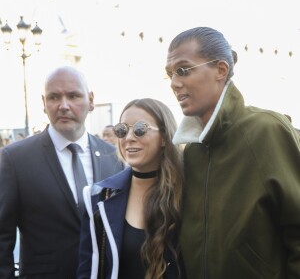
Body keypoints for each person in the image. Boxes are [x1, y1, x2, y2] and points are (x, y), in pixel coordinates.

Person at [165, 27, 300, 278]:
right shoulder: (192, 150)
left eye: (183, 70)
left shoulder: (266, 130)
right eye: (170, 74)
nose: (174, 82)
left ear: (221, 70)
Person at [0, 66, 124, 279]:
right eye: (54, 97)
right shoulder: (15, 159)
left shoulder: (113, 157)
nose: (63, 105)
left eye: (73, 96)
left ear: (91, 100)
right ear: (44, 104)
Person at [77, 98, 186, 279]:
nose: (129, 138)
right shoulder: (99, 197)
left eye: (140, 129)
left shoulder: (190, 192)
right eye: (121, 130)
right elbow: (88, 269)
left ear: (165, 137)